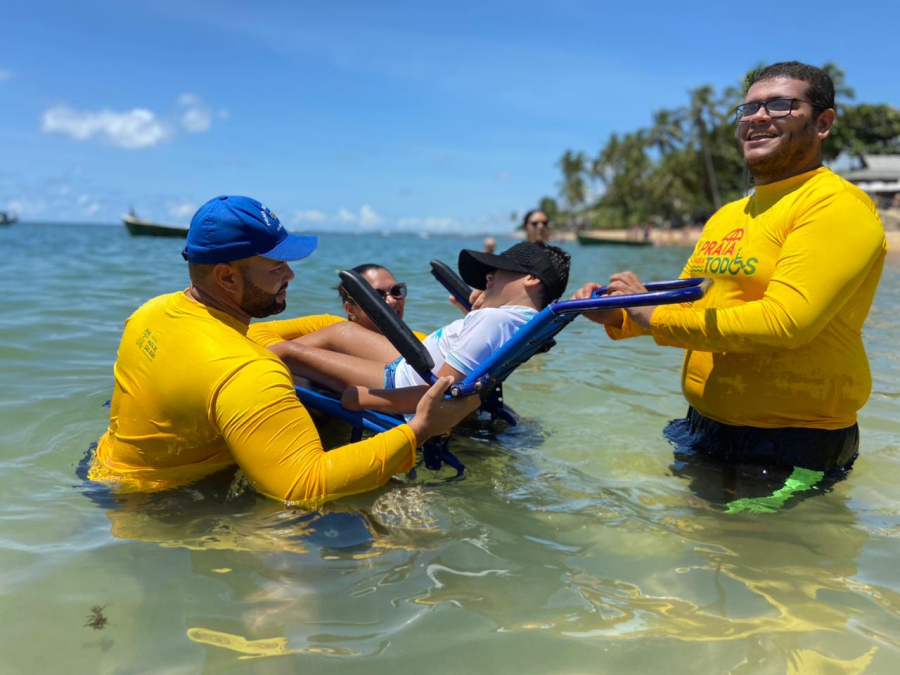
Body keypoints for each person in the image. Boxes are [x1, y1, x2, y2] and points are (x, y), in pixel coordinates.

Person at [573, 62, 887, 500]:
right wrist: (622, 313)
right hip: (704, 426)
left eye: (780, 105)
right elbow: (690, 299)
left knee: (769, 565)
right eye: (749, 108)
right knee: (699, 551)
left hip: (791, 441)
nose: (758, 117)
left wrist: (651, 319)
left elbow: (786, 323)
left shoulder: (835, 206)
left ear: (823, 123)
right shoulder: (728, 216)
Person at [89, 195, 480, 506]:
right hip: (158, 504)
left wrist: (450, 338)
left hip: (101, 469)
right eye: (276, 266)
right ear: (226, 277)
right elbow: (301, 486)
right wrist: (421, 428)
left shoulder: (151, 312)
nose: (290, 274)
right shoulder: (247, 372)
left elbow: (322, 327)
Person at [271, 242, 571, 414]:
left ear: (531, 279)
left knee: (288, 351)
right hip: (411, 366)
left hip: (398, 382)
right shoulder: (526, 320)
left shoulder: (492, 321)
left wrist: (363, 397)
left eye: (498, 270)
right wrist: (484, 307)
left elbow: (440, 393)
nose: (488, 277)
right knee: (339, 333)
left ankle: (234, 366)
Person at [248, 263, 427, 348]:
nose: (392, 300)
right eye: (377, 296)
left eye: (396, 291)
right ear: (350, 310)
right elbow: (253, 332)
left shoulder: (417, 340)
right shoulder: (330, 326)